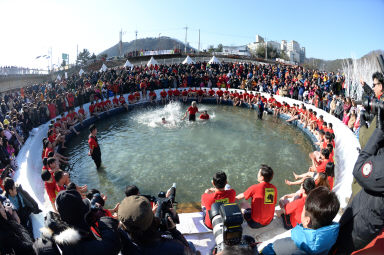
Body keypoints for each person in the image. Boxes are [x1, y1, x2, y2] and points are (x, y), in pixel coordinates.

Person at [333, 106, 384, 254]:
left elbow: (359, 169)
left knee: (342, 247)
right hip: (367, 214)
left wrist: (379, 131)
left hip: (361, 224)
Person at [33, 189, 121, 255]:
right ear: (84, 213)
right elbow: (112, 245)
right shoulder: (77, 247)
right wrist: (104, 219)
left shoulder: (57, 233)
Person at [262, 186, 340, 255]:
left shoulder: (288, 246)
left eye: (303, 209)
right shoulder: (332, 237)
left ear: (307, 220)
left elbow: (267, 250)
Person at [118, 195, 195, 255]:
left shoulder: (121, 240)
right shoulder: (174, 248)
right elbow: (188, 251)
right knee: (191, 245)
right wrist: (174, 230)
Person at [236, 164, 277, 229]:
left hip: (255, 224)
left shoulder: (254, 188)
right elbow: (271, 202)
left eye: (258, 173)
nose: (257, 175)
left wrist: (231, 197)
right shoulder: (273, 189)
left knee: (244, 203)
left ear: (262, 177)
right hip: (269, 221)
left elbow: (240, 197)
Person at [359, 71, 383, 148]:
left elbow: (365, 143)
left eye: (374, 85)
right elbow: (372, 93)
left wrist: (362, 123)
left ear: (381, 86)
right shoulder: (379, 99)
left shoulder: (381, 107)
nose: (373, 88)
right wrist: (364, 85)